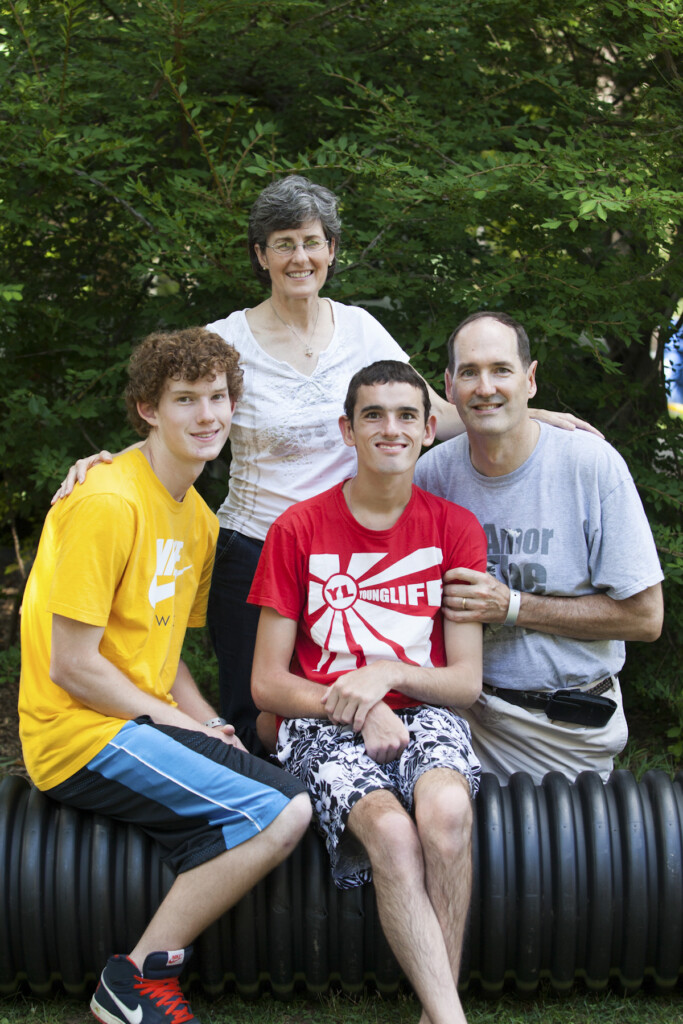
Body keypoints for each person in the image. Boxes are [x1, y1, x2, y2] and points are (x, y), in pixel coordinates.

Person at [52, 176, 596, 756]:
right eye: (282, 243)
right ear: (261, 255)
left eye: (311, 241)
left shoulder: (361, 330)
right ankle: (266, 827)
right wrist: (107, 463)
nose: (299, 257)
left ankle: (345, 826)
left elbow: (430, 415)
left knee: (344, 712)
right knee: (256, 711)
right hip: (254, 551)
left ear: (332, 250)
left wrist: (523, 415)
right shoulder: (227, 339)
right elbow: (179, 420)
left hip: (350, 555)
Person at [19, 328, 311, 1024]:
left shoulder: (199, 521)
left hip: (131, 722)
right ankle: (136, 978)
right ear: (149, 409)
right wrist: (183, 725)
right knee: (280, 808)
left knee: (271, 787)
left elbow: (162, 649)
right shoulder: (107, 502)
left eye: (217, 397)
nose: (207, 415)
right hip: (77, 734)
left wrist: (208, 720)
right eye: (186, 399)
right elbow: (74, 667)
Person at [249, 360, 486, 1024]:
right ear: (346, 430)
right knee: (390, 831)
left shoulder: (454, 530)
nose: (391, 428)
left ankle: (436, 1011)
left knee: (444, 818)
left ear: (429, 429)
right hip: (318, 723)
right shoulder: (297, 530)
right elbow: (265, 682)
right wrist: (360, 703)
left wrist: (388, 675)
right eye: (373, 415)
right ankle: (449, 1017)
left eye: (406, 415)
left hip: (425, 712)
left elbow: (464, 682)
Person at [414, 311, 665, 784]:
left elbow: (645, 618)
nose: (485, 386)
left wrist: (511, 606)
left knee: (560, 854)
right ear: (448, 387)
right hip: (464, 720)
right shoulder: (432, 476)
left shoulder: (589, 465)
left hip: (567, 729)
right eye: (469, 372)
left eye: (501, 370)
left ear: (530, 380)